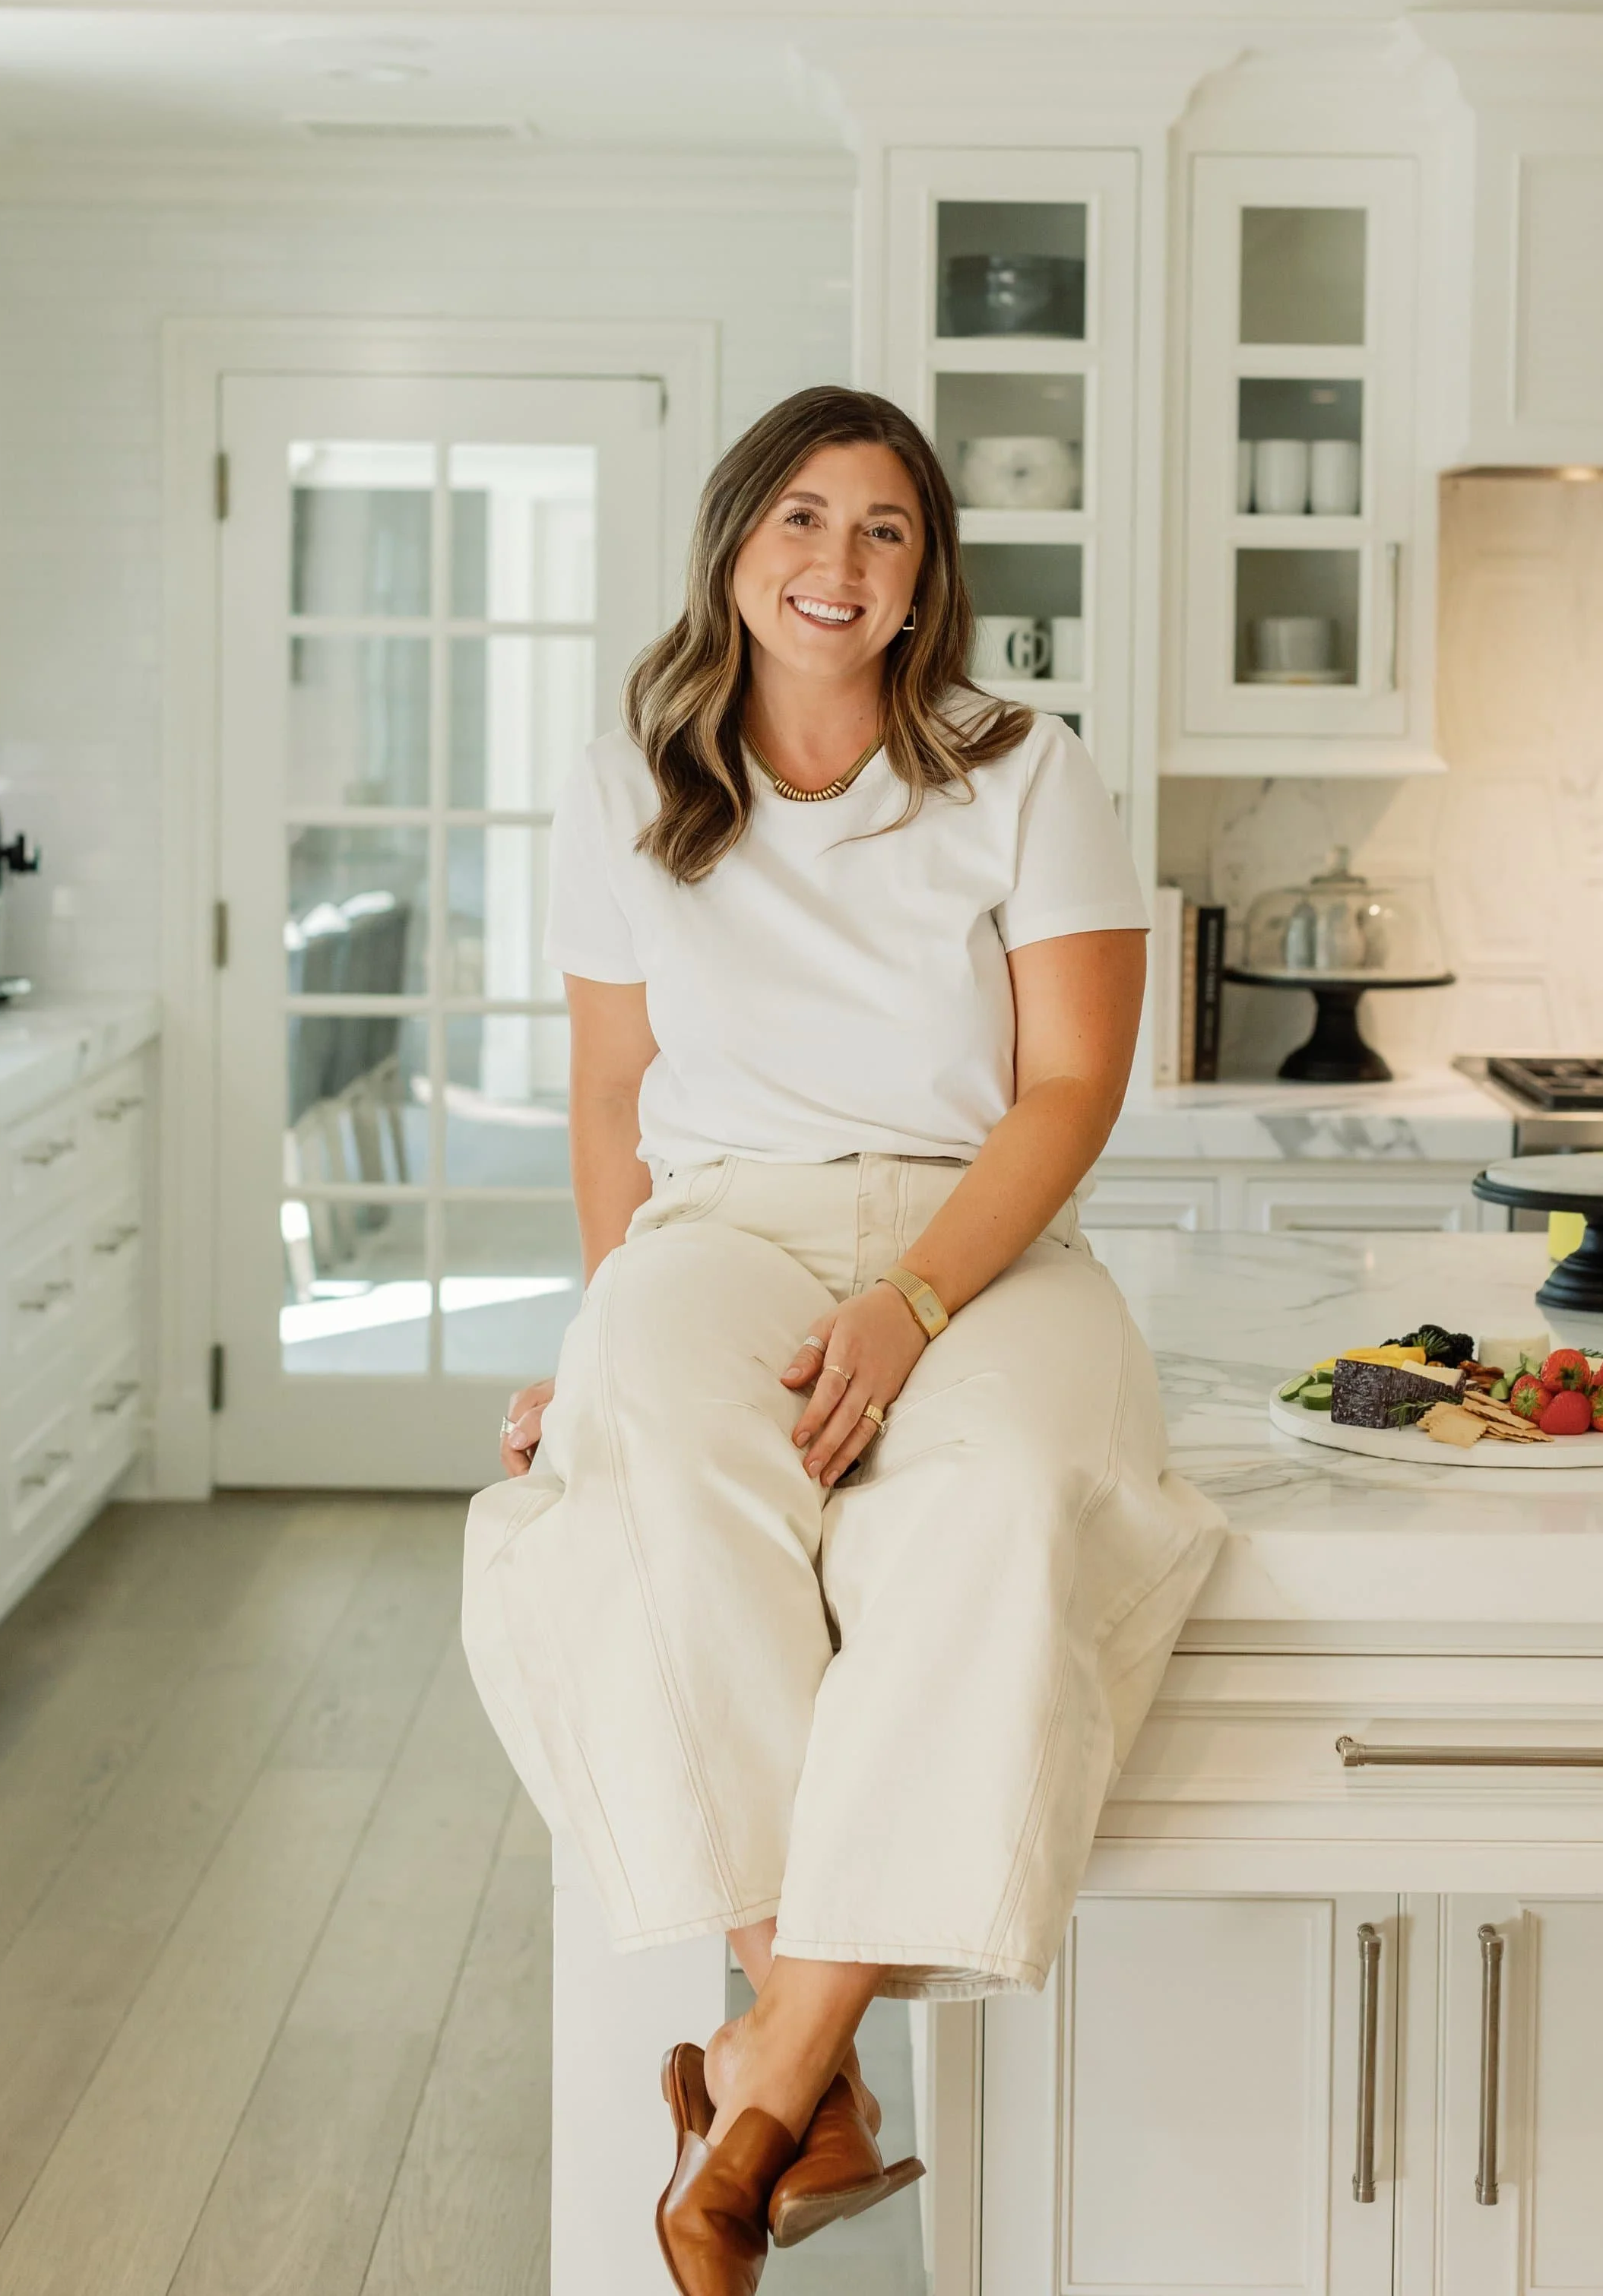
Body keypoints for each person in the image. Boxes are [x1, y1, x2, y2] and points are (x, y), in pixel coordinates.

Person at [461, 383, 1225, 2296]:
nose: (837, 561)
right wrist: (609, 1329)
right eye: (803, 517)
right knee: (641, 1445)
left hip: (982, 1233)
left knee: (1011, 1497)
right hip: (722, 1220)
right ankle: (805, 2071)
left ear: (923, 578)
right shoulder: (630, 779)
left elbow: (1066, 1092)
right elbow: (612, 1104)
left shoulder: (1020, 769)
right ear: (736, 541)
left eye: (882, 529)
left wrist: (909, 1303)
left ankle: (762, 2086)